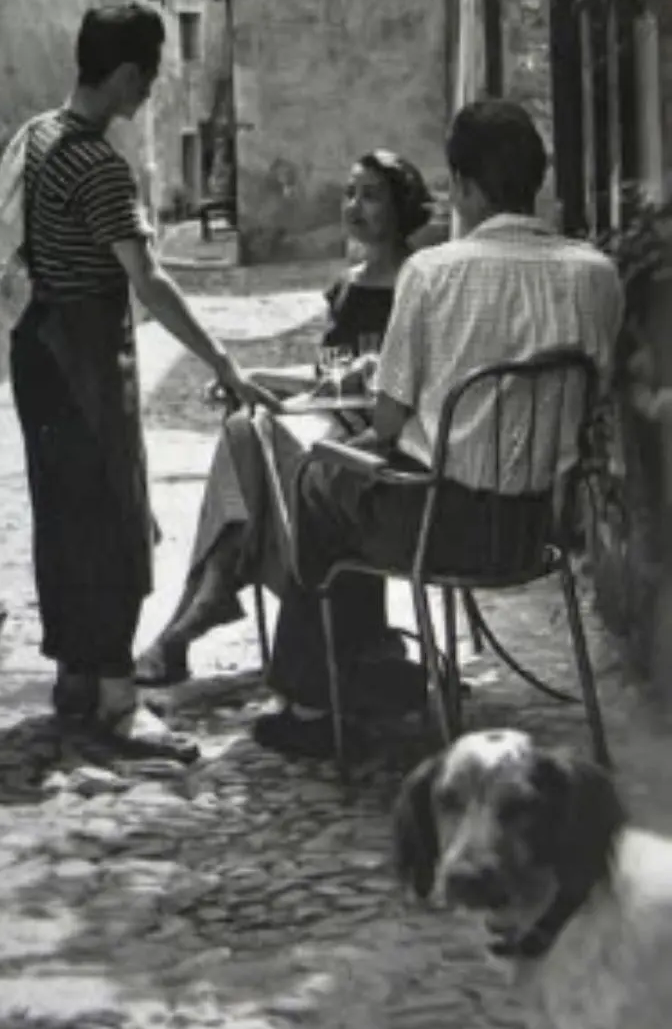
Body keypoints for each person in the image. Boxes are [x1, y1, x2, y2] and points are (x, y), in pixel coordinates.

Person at [251, 100, 625, 759]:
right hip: (540, 526)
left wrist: (354, 444)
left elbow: (390, 420)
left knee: (318, 480)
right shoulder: (597, 274)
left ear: (466, 186)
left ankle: (314, 703)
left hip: (436, 525)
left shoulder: (432, 272)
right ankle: (369, 666)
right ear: (533, 182)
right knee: (349, 477)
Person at [10, 2, 270, 761]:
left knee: (64, 514)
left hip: (41, 344)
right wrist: (221, 359)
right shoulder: (96, 163)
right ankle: (120, 700)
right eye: (150, 75)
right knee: (116, 521)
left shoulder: (38, 139)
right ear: (125, 73)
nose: (152, 90)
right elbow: (149, 280)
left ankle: (76, 674)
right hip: (86, 351)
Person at [135, 149, 434, 687]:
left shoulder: (419, 283)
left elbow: (395, 387)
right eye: (349, 193)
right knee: (244, 427)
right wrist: (255, 378)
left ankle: (199, 609)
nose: (354, 207)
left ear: (402, 206)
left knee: (248, 439)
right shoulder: (347, 286)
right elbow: (331, 376)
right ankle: (206, 601)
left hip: (382, 449)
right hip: (336, 431)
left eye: (371, 195)